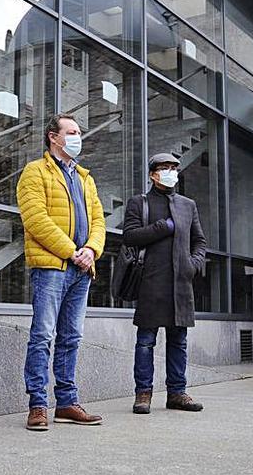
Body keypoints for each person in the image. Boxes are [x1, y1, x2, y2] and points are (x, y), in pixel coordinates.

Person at [17, 114, 106, 431]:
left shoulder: (85, 178)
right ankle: (38, 405)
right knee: (42, 336)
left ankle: (67, 403)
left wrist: (91, 251)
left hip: (82, 270)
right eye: (71, 132)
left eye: (79, 132)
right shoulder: (34, 172)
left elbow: (99, 221)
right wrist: (72, 252)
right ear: (53, 137)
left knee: (72, 337)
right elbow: (36, 219)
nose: (77, 137)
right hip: (52, 268)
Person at [122, 152, 208, 415]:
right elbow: (130, 236)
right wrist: (163, 227)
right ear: (152, 174)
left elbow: (199, 241)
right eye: (164, 167)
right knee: (146, 340)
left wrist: (193, 265)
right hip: (151, 281)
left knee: (178, 340)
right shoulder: (140, 203)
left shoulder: (187, 204)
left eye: (174, 167)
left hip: (181, 284)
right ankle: (143, 394)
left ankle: (177, 393)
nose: (170, 171)